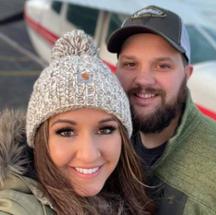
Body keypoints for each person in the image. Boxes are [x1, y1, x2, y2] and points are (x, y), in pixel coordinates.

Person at [107, 5, 216, 215]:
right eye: (131, 64)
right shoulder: (103, 136)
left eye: (162, 66)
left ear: (187, 74)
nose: (143, 80)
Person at [0, 30, 154, 215]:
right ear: (40, 140)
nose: (88, 155)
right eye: (66, 132)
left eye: (105, 129)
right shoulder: (17, 209)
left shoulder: (127, 192)